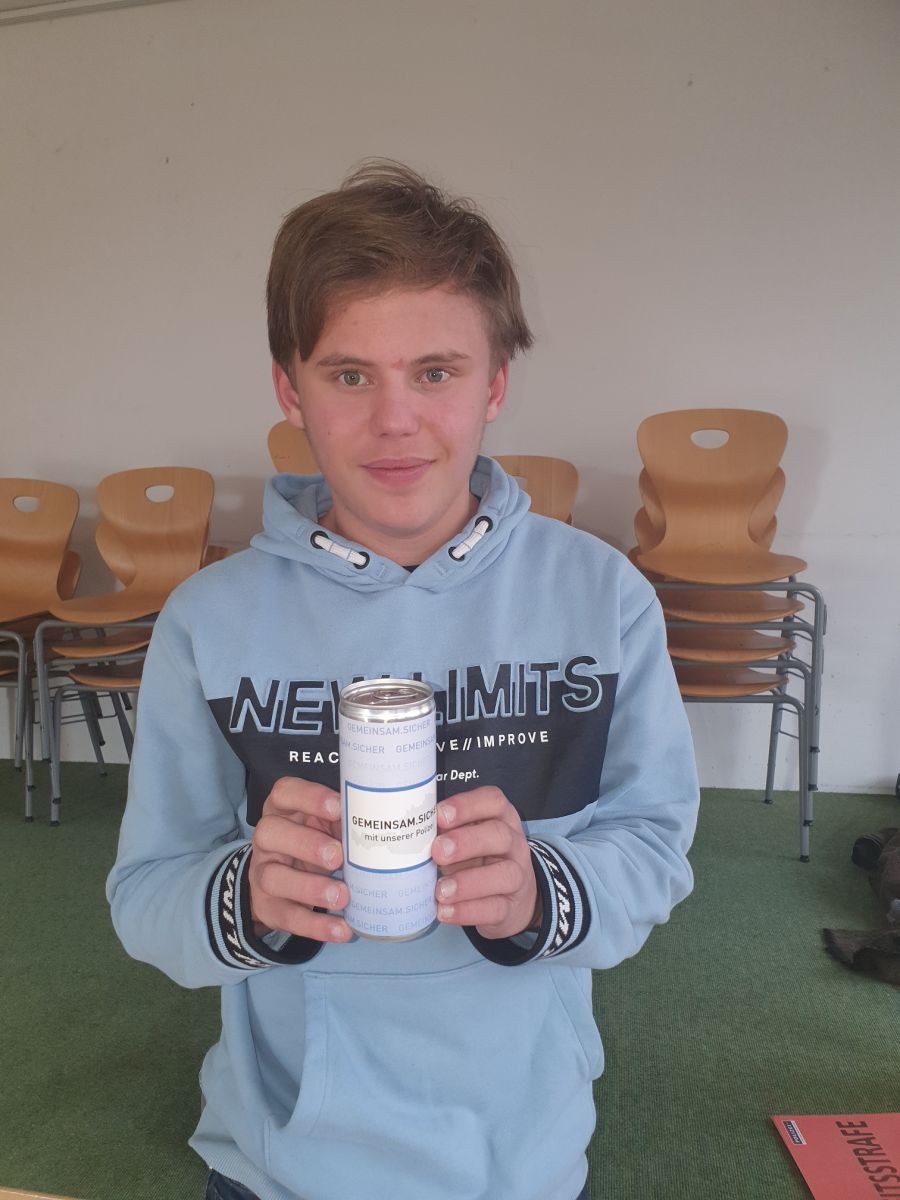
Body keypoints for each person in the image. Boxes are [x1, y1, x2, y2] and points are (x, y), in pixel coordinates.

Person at [107, 161, 700, 1200]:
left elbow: (654, 846)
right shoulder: (210, 621)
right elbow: (147, 892)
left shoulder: (601, 597)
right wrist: (246, 896)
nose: (394, 421)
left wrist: (540, 893)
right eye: (349, 376)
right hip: (281, 1166)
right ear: (289, 387)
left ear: (495, 384)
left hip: (520, 1162)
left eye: (435, 372)